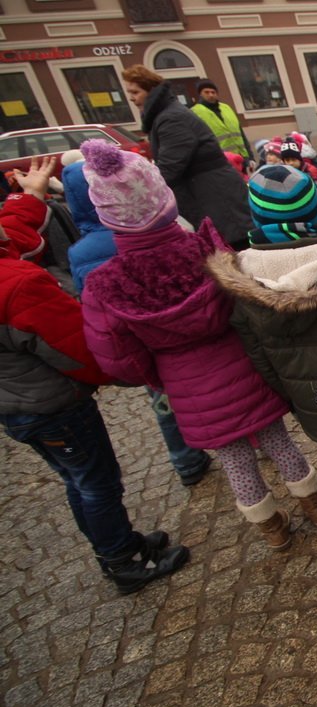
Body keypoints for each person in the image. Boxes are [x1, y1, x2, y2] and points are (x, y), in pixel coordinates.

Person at [78, 139, 317, 551]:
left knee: (235, 462)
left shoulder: (108, 284)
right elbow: (246, 299)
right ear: (164, 198)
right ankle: (315, 506)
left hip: (187, 387)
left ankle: (272, 529)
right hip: (241, 368)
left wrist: (158, 376)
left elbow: (117, 358)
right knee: (278, 441)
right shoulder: (205, 248)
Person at [0, 156, 190, 594]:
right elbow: (78, 349)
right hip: (52, 406)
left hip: (19, 408)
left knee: (77, 478)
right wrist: (134, 369)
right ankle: (122, 558)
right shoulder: (17, 286)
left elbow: (13, 231)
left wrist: (29, 197)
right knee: (95, 481)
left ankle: (117, 543)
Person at [60, 149, 214, 487]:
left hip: (161, 366)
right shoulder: (195, 244)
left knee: (168, 411)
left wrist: (148, 373)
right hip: (220, 352)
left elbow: (110, 342)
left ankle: (186, 461)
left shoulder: (85, 258)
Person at [206, 164, 317, 446]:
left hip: (309, 408)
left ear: (256, 216)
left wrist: (290, 399)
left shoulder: (241, 280)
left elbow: (258, 357)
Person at [120, 65, 252, 250]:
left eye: (136, 92)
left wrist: (137, 191)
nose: (132, 98)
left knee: (235, 249)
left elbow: (169, 168)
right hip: (212, 196)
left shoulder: (171, 118)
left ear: (151, 90)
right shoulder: (166, 115)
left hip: (217, 199)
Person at [190, 78, 253, 162]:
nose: (211, 95)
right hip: (220, 161)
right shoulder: (195, 112)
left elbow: (241, 133)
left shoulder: (226, 108)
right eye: (206, 92)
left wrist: (250, 156)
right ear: (200, 94)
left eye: (213, 92)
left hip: (241, 157)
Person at [280, 137, 317, 229]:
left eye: (293, 160)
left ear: (299, 159)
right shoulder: (284, 173)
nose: (290, 163)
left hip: (313, 205)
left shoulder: (310, 171)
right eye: (287, 160)